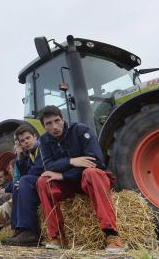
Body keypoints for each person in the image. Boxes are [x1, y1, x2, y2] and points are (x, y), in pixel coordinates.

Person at [35, 105, 125, 251]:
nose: (54, 126)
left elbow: (96, 162)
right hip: (68, 185)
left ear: (63, 119)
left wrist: (64, 174)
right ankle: (57, 237)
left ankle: (112, 235)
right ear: (44, 127)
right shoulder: (44, 141)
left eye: (57, 121)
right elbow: (49, 166)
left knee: (92, 172)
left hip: (87, 181)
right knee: (42, 181)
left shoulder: (81, 130)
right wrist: (72, 161)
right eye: (48, 124)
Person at [1, 124, 44, 246]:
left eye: (28, 138)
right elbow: (25, 173)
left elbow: (38, 169)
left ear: (35, 136)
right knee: (17, 185)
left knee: (23, 181)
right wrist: (19, 156)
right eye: (22, 141)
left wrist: (24, 181)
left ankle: (31, 231)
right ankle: (19, 229)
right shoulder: (30, 153)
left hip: (47, 179)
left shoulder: (41, 148)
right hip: (36, 180)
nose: (26, 142)